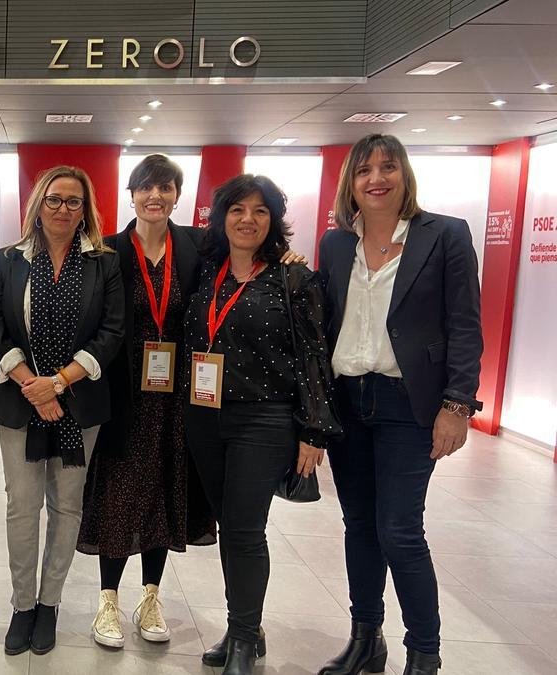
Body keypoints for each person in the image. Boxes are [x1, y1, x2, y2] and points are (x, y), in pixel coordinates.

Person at [315, 134, 483, 675]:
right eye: (364, 171)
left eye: (387, 167)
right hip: (347, 401)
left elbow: (464, 326)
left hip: (407, 404)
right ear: (351, 184)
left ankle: (424, 654)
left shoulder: (445, 236)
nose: (376, 178)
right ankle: (367, 639)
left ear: (404, 175)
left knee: (400, 530)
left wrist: (457, 406)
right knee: (359, 525)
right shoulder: (337, 244)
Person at [182, 174, 341, 675]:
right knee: (230, 528)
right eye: (237, 209)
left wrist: (313, 431)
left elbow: (316, 356)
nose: (247, 219)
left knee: (247, 532)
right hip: (204, 416)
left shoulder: (294, 278)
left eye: (260, 211)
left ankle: (245, 640)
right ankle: (242, 626)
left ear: (273, 221)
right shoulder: (207, 271)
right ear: (220, 216)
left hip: (265, 420)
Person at [0, 165, 125, 657]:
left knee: (67, 507)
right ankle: (23, 605)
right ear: (37, 205)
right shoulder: (8, 259)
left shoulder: (104, 263)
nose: (63, 209)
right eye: (54, 199)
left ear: (86, 210)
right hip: (20, 404)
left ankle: (50, 604)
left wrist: (59, 383)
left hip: (79, 403)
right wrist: (32, 385)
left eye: (74, 201)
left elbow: (112, 332)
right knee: (22, 508)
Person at [76, 154, 217, 649]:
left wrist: (289, 256)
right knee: (117, 495)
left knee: (163, 490)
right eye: (145, 187)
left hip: (177, 397)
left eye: (165, 187)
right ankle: (107, 602)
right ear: (131, 194)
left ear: (178, 195)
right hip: (123, 396)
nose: (155, 196)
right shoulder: (107, 251)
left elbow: (249, 261)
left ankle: (151, 597)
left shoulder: (197, 247)